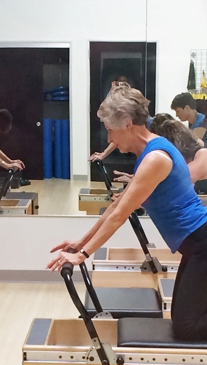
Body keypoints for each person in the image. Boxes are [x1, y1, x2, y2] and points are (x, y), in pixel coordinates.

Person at [48, 84, 207, 342]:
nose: (109, 138)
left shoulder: (156, 157)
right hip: (196, 247)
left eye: (110, 130)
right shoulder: (150, 152)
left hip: (202, 243)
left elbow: (120, 215)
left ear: (128, 125)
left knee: (186, 328)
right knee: (182, 319)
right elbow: (116, 205)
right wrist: (80, 243)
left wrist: (84, 256)